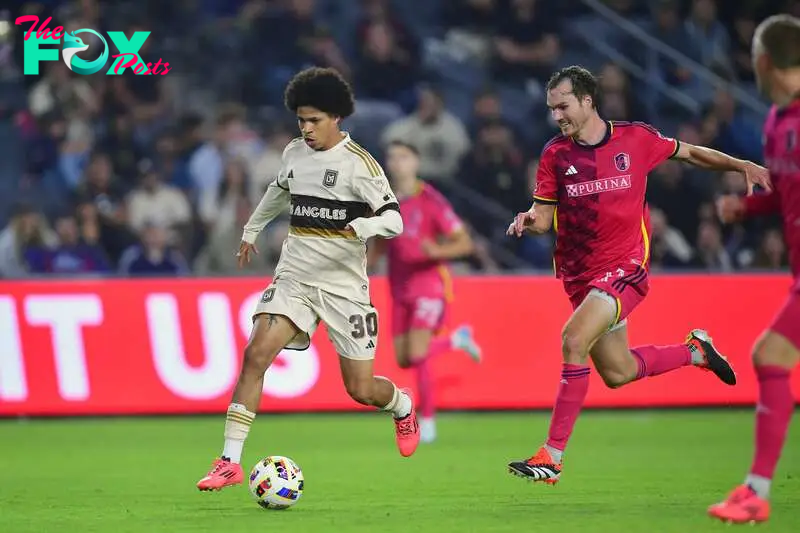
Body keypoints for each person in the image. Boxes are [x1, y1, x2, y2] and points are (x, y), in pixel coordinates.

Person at [505, 65, 771, 485]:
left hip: (627, 266)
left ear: (588, 100)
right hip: (579, 276)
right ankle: (695, 352)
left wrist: (740, 165)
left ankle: (551, 457)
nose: (557, 116)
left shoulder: (636, 138)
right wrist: (528, 220)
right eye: (552, 108)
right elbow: (543, 217)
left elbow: (691, 153)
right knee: (619, 372)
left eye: (563, 106)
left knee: (573, 339)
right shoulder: (555, 154)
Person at [196, 67, 420, 492]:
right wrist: (251, 230)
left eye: (314, 120)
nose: (306, 128)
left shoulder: (361, 165)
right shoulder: (294, 153)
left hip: (343, 289)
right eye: (301, 120)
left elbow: (394, 219)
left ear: (336, 117)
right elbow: (278, 191)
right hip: (295, 278)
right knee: (255, 354)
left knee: (361, 388)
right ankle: (229, 461)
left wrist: (365, 228)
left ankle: (401, 404)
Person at [708, 14, 800, 525]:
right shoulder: (776, 122)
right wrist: (749, 209)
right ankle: (756, 491)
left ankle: (756, 491)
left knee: (769, 356)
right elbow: (787, 195)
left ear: (763, 62)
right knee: (770, 357)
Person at [368, 141, 482, 443]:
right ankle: (457, 340)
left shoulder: (431, 200)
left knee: (419, 353)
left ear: (415, 162)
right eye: (392, 157)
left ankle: (427, 420)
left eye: (404, 156)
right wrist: (361, 267)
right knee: (405, 359)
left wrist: (437, 250)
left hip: (429, 284)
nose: (396, 162)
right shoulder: (384, 201)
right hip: (399, 286)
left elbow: (465, 243)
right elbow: (380, 244)